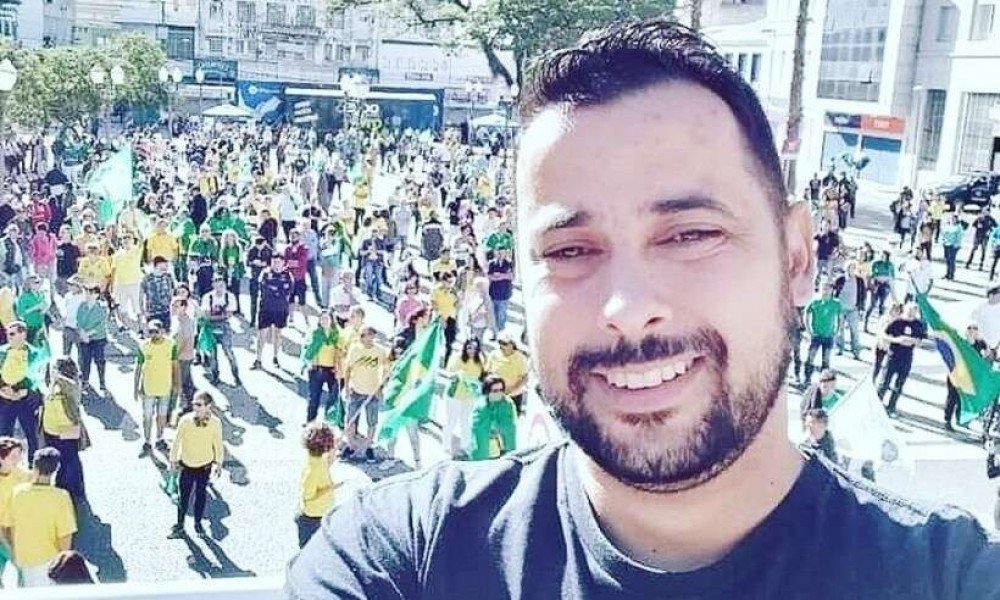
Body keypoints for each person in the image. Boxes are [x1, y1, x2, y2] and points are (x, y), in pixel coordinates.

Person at [289, 20, 1000, 598]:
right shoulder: (403, 560)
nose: (628, 309)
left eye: (690, 235)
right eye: (571, 250)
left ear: (797, 259)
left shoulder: (950, 579)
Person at [9, 447, 77, 586]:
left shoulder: (18, 493)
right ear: (56, 469)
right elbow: (65, 536)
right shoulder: (61, 497)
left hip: (23, 560)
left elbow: (11, 526)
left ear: (34, 465)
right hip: (48, 562)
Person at [169, 390, 224, 538]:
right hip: (187, 465)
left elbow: (218, 444)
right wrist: (173, 460)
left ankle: (198, 524)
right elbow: (176, 441)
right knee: (183, 497)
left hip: (204, 467)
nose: (195, 407)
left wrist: (219, 463)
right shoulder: (185, 420)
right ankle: (179, 526)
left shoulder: (215, 423)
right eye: (194, 404)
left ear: (208, 406)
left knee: (201, 496)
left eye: (199, 404)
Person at [39, 358, 89, 501]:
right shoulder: (71, 384)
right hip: (66, 429)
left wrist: (56, 376)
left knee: (67, 461)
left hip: (59, 430)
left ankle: (68, 489)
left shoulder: (62, 388)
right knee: (71, 459)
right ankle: (76, 488)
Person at [0, 321, 46, 461]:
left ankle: (33, 465)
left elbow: (39, 377)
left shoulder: (34, 354)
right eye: (8, 334)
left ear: (23, 334)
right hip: (5, 400)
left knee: (31, 435)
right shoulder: (2, 352)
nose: (9, 337)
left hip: (26, 401)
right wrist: (2, 390)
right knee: (4, 435)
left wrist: (25, 391)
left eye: (12, 334)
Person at [342, 326, 387, 463]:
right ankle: (350, 446)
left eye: (371, 335)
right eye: (366, 335)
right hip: (356, 390)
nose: (369, 338)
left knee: (372, 422)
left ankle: (368, 447)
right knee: (350, 420)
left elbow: (386, 370)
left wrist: (381, 388)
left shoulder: (380, 351)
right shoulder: (354, 349)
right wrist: (347, 386)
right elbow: (348, 369)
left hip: (372, 393)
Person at [135, 319, 180, 455]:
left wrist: (177, 384)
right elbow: (138, 367)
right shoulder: (144, 346)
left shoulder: (171, 345)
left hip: (165, 387)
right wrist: (136, 387)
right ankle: (147, 441)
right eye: (150, 332)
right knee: (147, 416)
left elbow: (175, 365)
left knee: (162, 415)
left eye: (156, 331)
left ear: (162, 331)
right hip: (148, 388)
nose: (153, 334)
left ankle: (160, 439)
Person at [879, 303, 927, 415]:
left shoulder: (918, 324)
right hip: (893, 355)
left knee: (899, 384)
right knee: (885, 382)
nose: (911, 313)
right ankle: (877, 403)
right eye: (909, 310)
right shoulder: (897, 322)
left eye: (914, 311)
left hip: (907, 357)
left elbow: (922, 340)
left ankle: (891, 407)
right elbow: (884, 335)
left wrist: (914, 341)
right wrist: (897, 340)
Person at [297, 422, 338, 548]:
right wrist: (331, 488)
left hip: (319, 513)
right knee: (309, 549)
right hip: (312, 517)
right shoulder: (312, 471)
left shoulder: (317, 460)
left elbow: (328, 461)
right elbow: (307, 496)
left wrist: (334, 448)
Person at [443, 338, 485, 457]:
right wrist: (457, 375)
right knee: (451, 421)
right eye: (469, 347)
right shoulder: (457, 358)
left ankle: (465, 447)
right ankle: (446, 446)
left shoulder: (480, 361)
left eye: (475, 348)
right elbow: (449, 374)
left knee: (466, 422)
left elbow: (481, 378)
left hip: (470, 397)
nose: (472, 351)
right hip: (454, 395)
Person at [944, 325, 990, 431]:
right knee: (953, 398)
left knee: (964, 399)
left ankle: (960, 419)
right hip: (956, 374)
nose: (972, 331)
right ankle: (947, 420)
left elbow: (987, 355)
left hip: (970, 377)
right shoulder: (961, 342)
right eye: (969, 328)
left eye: (975, 328)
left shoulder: (980, 344)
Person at [200, 275, 242, 387]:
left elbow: (229, 314)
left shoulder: (230, 296)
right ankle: (215, 376)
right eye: (217, 284)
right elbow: (206, 315)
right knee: (212, 354)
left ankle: (236, 376)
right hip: (210, 327)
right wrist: (220, 316)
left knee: (228, 352)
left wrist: (214, 316)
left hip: (224, 327)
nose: (219, 287)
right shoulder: (207, 297)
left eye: (221, 284)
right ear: (213, 285)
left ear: (225, 284)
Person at [301, 310, 342, 424]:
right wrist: (308, 363)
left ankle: (330, 421)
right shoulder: (315, 333)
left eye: (327, 318)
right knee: (314, 397)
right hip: (317, 369)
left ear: (331, 320)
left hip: (331, 370)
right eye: (322, 318)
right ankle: (310, 422)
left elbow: (338, 351)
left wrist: (338, 367)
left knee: (333, 397)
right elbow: (309, 349)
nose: (324, 321)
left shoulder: (336, 334)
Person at [0, 437, 31, 584]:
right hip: (3, 534)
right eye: (13, 457)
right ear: (1, 458)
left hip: (18, 533)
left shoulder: (23, 476)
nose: (18, 461)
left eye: (20, 456)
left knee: (24, 573)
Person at [254, 255, 294, 370]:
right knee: (262, 335)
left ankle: (275, 357)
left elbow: (288, 290)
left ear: (283, 263)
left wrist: (275, 290)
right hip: (266, 309)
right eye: (274, 262)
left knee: (278, 334)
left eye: (278, 262)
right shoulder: (265, 273)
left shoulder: (287, 275)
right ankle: (258, 359)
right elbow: (263, 288)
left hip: (281, 309)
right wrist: (276, 290)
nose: (276, 264)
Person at [468, 374, 517, 461]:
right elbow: (477, 429)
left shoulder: (507, 404)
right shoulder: (481, 407)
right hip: (484, 450)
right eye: (495, 391)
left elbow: (511, 426)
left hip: (503, 449)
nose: (499, 393)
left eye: (501, 390)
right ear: (487, 392)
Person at [802, 283, 841, 383]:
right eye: (823, 289)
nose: (825, 291)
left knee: (826, 360)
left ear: (832, 290)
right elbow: (806, 314)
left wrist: (837, 331)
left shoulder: (836, 303)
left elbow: (840, 318)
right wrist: (808, 330)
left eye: (828, 289)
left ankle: (824, 381)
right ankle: (806, 378)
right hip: (816, 335)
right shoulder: (815, 302)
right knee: (810, 357)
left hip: (828, 336)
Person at [485, 332, 530, 416]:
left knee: (512, 418)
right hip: (496, 393)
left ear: (512, 344)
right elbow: (488, 372)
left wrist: (514, 389)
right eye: (500, 342)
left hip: (513, 395)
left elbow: (525, 377)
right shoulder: (494, 354)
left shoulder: (520, 358)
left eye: (504, 343)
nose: (501, 346)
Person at [77, 285, 110, 392]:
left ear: (96, 294)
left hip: (98, 338)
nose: (88, 294)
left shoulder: (102, 307)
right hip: (84, 338)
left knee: (99, 360)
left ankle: (102, 382)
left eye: (90, 292)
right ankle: (85, 381)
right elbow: (78, 320)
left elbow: (101, 324)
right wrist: (82, 333)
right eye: (86, 291)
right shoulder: (82, 306)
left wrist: (88, 334)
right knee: (85, 361)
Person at [832, 262, 863, 360]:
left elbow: (863, 294)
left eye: (854, 268)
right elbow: (834, 291)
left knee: (854, 331)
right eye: (850, 268)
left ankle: (856, 351)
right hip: (840, 308)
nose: (852, 270)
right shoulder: (840, 279)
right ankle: (839, 348)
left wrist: (861, 308)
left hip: (853, 309)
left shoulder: (859, 280)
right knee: (839, 330)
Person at [140, 256, 176, 330]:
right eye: (164, 264)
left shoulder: (168, 277)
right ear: (157, 265)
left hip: (166, 312)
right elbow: (141, 297)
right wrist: (143, 312)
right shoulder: (147, 279)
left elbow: (172, 292)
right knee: (154, 333)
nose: (166, 266)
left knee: (166, 333)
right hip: (152, 313)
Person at [972, 286, 1000, 357]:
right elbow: (972, 322)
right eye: (998, 294)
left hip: (993, 346)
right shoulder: (981, 308)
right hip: (980, 343)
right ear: (991, 295)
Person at [941, 214, 964, 280]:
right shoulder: (947, 226)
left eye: (954, 219)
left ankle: (951, 274)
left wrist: (956, 245)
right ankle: (947, 273)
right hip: (946, 244)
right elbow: (943, 234)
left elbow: (959, 237)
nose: (952, 220)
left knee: (951, 260)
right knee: (947, 260)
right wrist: (943, 241)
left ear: (956, 220)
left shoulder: (958, 227)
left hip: (953, 246)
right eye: (951, 218)